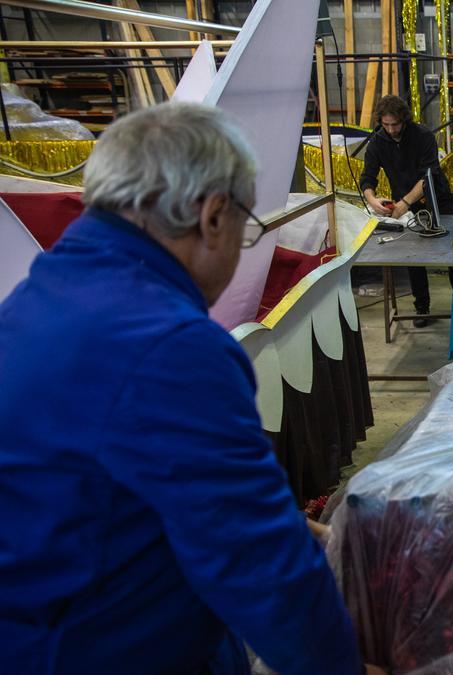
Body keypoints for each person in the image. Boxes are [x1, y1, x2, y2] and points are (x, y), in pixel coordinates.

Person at [0, 103, 375, 675]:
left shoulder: (39, 297)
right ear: (214, 216)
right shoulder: (172, 347)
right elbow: (256, 564)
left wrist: (301, 532)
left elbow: (132, 483)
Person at [359, 95, 453, 327]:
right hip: (406, 202)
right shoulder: (378, 141)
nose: (390, 129)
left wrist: (405, 203)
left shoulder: (423, 136)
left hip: (438, 197)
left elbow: (427, 176)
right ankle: (422, 308)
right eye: (386, 125)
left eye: (395, 124)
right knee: (412, 255)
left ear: (404, 120)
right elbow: (367, 178)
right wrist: (373, 200)